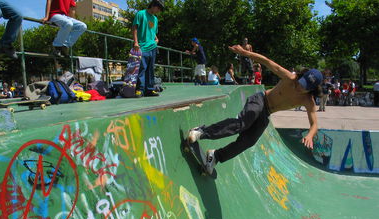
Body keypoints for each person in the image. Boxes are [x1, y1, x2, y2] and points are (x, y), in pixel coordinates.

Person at [187, 44, 322, 175]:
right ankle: (201, 131)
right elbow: (267, 61)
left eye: (304, 87)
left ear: (312, 89)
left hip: (266, 113)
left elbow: (314, 123)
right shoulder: (289, 78)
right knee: (242, 123)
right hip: (260, 100)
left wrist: (310, 135)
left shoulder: (308, 101)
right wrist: (245, 53)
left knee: (249, 141)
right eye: (301, 82)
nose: (299, 87)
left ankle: (215, 156)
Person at [132, 0, 163, 97]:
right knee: (142, 68)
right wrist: (136, 42)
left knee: (150, 69)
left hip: (153, 47)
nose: (158, 11)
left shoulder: (155, 19)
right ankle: (140, 89)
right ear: (153, 5)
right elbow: (134, 28)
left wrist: (156, 39)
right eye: (158, 8)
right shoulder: (141, 14)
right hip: (142, 46)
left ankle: (149, 89)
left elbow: (153, 32)